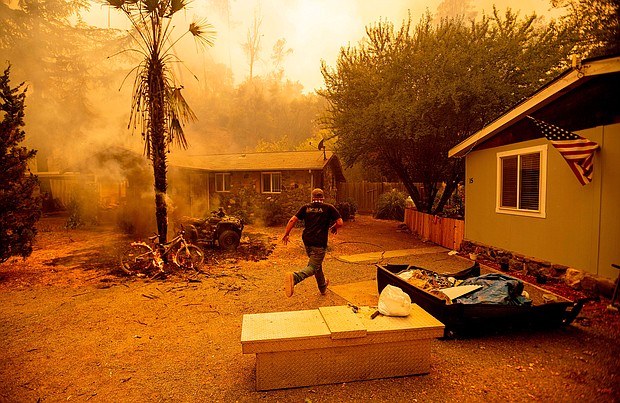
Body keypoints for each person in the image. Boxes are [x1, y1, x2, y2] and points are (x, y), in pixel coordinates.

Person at [281, 188, 343, 297]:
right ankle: (295, 277)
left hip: (307, 241)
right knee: (313, 267)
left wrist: (286, 233)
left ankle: (322, 287)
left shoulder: (306, 208)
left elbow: (292, 220)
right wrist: (335, 226)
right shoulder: (328, 208)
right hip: (319, 243)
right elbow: (340, 222)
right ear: (322, 198)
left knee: (317, 265)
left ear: (312, 198)